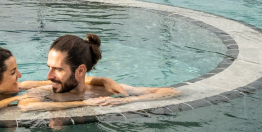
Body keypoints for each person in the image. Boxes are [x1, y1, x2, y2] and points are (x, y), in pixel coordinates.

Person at [18, 33, 179, 111]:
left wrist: (128, 101)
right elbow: (25, 105)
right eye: (49, 68)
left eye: (58, 69)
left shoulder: (102, 91)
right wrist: (84, 103)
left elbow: (171, 92)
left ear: (80, 70)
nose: (49, 76)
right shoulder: (47, 92)